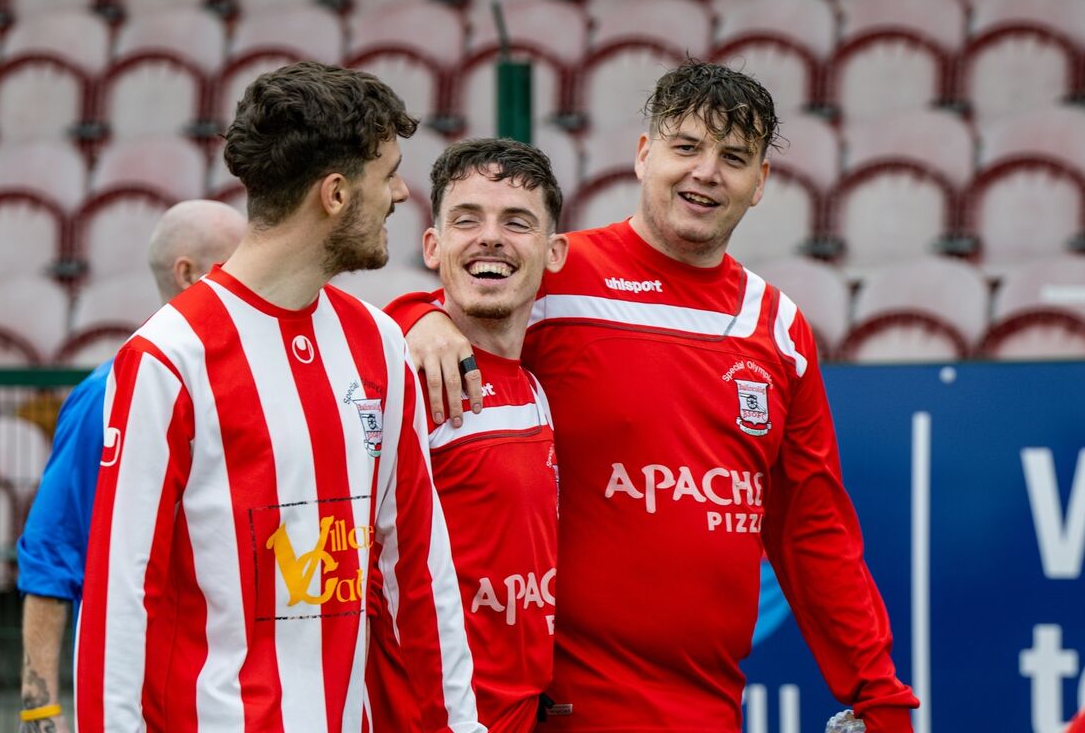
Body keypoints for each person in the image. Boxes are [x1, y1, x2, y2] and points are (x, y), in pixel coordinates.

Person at [388, 60, 920, 732]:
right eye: (687, 147)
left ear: (760, 184)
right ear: (644, 156)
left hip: (709, 704)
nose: (706, 172)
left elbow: (812, 530)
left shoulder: (777, 327)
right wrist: (419, 315)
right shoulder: (559, 272)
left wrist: (878, 691)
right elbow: (465, 293)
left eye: (734, 157)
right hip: (561, 709)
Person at [74, 62, 483, 733]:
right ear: (334, 194)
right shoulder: (168, 359)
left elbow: (418, 571)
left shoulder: (379, 345)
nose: (402, 194)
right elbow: (121, 600)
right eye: (388, 174)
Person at [17, 199, 245, 733]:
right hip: (155, 704)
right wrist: (40, 709)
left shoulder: (265, 380)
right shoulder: (108, 393)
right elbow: (53, 553)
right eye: (236, 264)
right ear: (188, 273)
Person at [367, 139, 568, 732]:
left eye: (517, 222)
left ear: (553, 252)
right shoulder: (402, 381)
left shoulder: (536, 386)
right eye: (466, 219)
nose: (490, 237)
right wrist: (413, 312)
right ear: (433, 246)